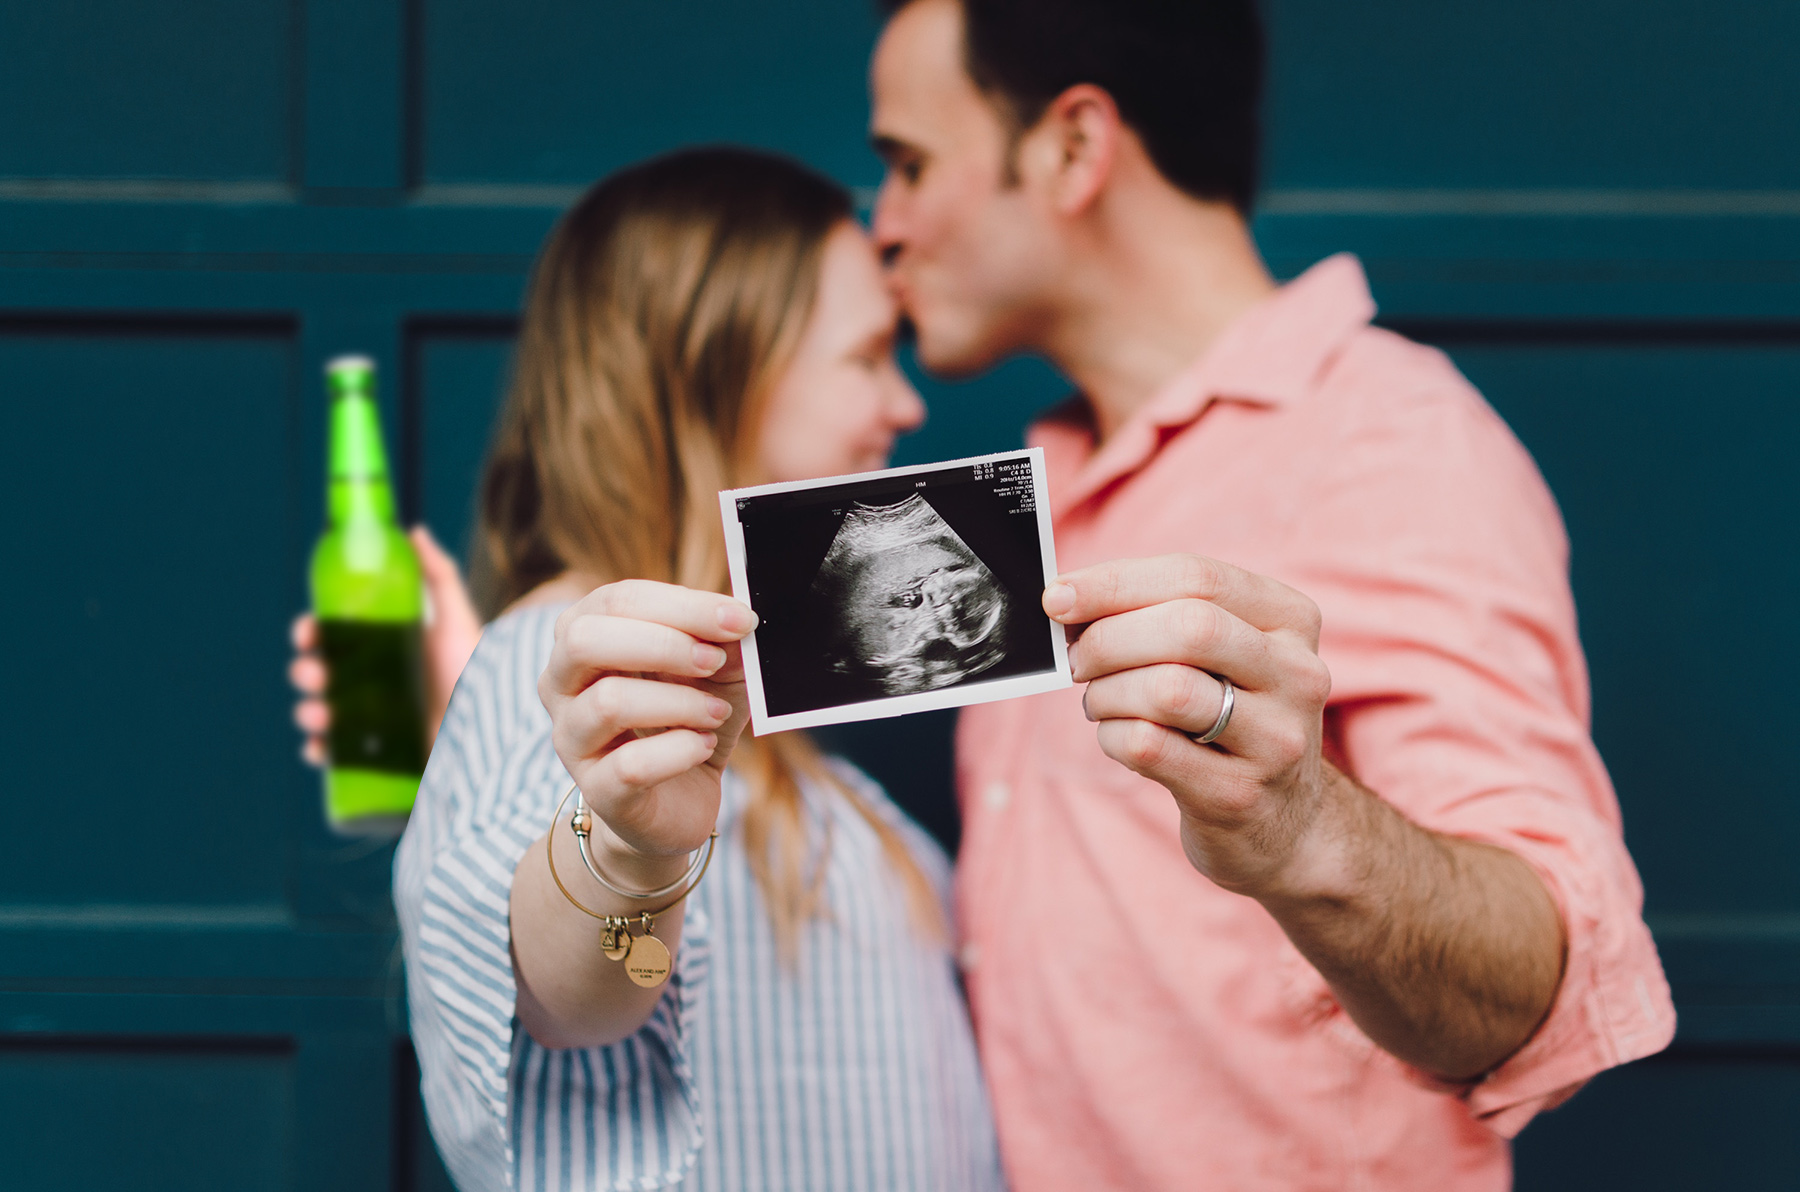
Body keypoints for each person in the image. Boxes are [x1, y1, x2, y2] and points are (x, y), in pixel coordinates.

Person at [862, 0, 1674, 1188]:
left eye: (909, 164)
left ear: (1075, 148)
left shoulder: (1386, 442)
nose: (882, 226)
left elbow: (1536, 993)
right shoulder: (1036, 493)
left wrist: (1298, 827)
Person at [294, 147, 1004, 1191]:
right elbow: (566, 997)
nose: (904, 406)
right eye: (864, 357)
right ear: (711, 374)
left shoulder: (751, 723)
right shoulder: (564, 671)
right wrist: (628, 851)